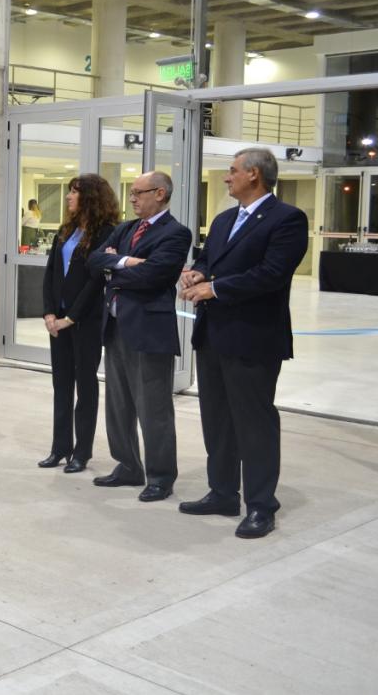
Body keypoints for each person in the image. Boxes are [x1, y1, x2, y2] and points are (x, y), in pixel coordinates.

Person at [178, 147, 309, 539]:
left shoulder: (287, 219)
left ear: (254, 174)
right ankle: (221, 492)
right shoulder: (223, 220)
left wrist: (214, 289)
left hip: (254, 337)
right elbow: (208, 260)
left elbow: (271, 274)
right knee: (217, 419)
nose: (226, 177)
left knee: (254, 423)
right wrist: (195, 274)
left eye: (232, 170)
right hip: (214, 334)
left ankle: (260, 506)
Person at [86, 171, 192, 502]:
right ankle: (128, 465)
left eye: (138, 193)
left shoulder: (176, 233)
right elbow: (94, 260)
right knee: (118, 405)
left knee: (153, 408)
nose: (131, 199)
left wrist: (114, 272)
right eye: (130, 193)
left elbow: (154, 276)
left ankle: (160, 476)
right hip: (116, 328)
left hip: (148, 332)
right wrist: (127, 261)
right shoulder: (126, 229)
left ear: (160, 193)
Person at [39, 174, 120, 473]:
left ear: (91, 197)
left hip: (83, 321)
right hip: (56, 321)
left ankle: (81, 452)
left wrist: (70, 318)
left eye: (75, 192)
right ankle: (59, 447)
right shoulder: (66, 229)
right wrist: (49, 313)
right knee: (61, 385)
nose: (69, 197)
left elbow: (95, 281)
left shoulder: (107, 233)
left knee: (85, 387)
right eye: (70, 192)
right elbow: (50, 274)